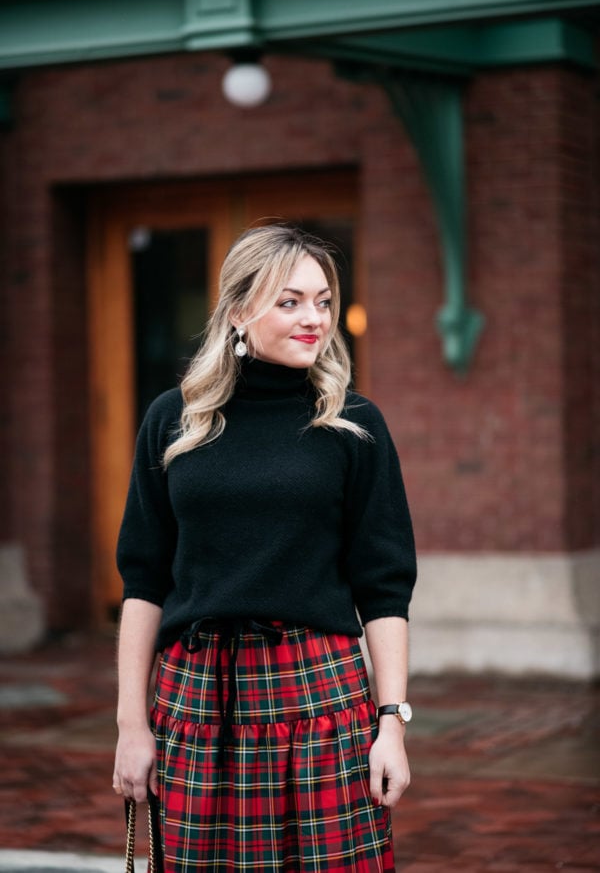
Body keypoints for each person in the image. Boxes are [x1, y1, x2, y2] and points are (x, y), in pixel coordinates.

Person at [112, 224, 417, 872]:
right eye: (290, 301)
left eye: (324, 300)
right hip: (195, 703)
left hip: (318, 699)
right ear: (237, 312)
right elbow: (144, 579)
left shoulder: (353, 426)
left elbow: (384, 587)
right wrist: (130, 726)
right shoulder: (175, 420)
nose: (315, 319)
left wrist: (391, 722)